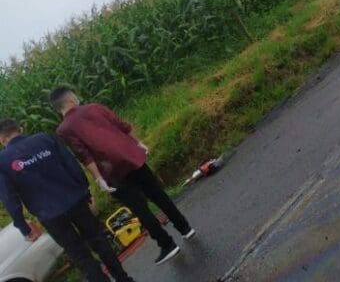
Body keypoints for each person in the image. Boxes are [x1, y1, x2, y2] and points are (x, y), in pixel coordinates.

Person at [50, 86, 195, 266]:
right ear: (71, 99)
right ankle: (185, 228)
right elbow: (122, 126)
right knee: (158, 195)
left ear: (58, 107)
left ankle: (167, 244)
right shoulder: (95, 107)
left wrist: (99, 179)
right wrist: (138, 143)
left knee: (140, 208)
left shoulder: (64, 129)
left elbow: (84, 155)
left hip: (113, 172)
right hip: (132, 157)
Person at [0, 119, 135, 282]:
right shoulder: (45, 139)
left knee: (79, 255)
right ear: (20, 129)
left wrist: (23, 227)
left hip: (50, 215)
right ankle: (124, 279)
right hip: (75, 200)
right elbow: (71, 164)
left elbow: (9, 198)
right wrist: (85, 191)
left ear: (2, 139)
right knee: (98, 241)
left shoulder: (3, 161)